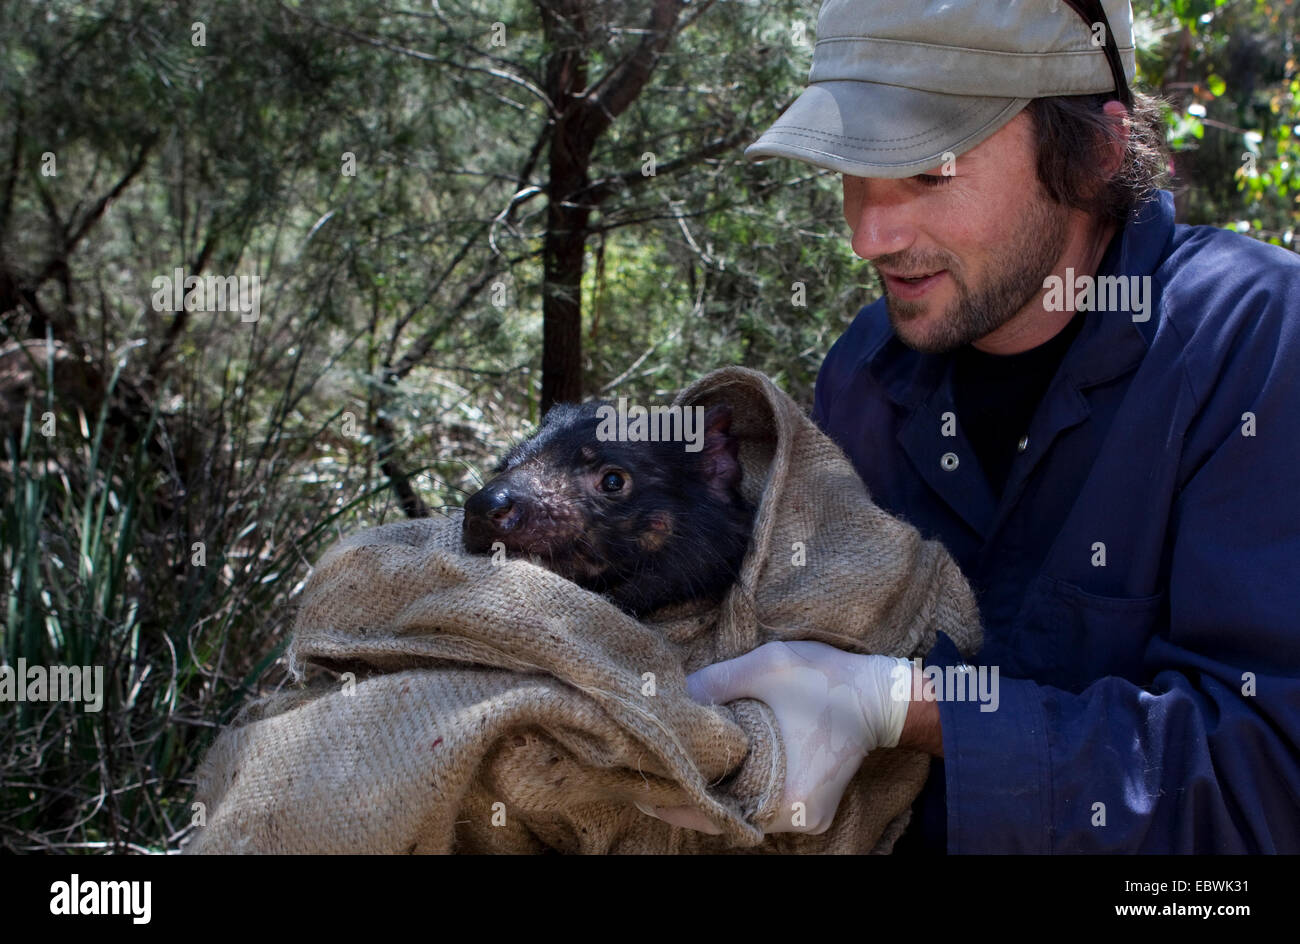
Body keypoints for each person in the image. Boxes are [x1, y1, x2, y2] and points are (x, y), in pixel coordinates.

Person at [638, 0, 1300, 852]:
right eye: (854, 169)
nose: (870, 234)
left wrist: (905, 709)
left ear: (1094, 154)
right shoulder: (864, 375)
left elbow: (1266, 786)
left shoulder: (1254, 343)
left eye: (928, 173)